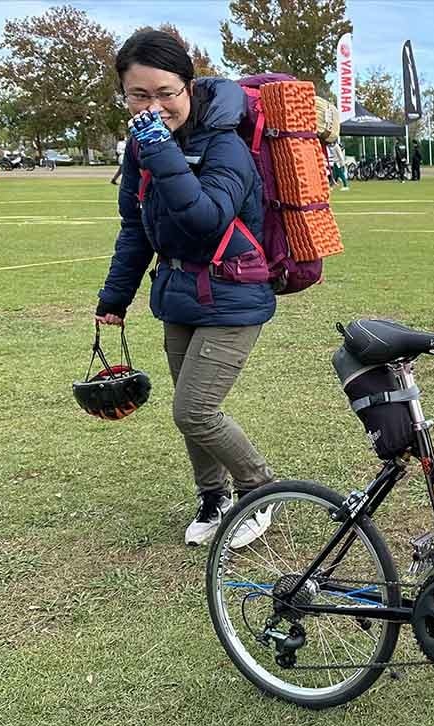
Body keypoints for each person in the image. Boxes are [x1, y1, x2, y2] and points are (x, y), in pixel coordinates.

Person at [94, 29, 276, 548]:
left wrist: (158, 149)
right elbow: (135, 226)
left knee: (194, 409)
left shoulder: (225, 146)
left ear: (189, 87)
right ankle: (213, 497)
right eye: (139, 96)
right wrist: (114, 298)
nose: (154, 107)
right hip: (177, 291)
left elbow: (206, 218)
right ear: (124, 95)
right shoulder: (140, 146)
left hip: (233, 294)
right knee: (191, 409)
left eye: (166, 93)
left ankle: (259, 492)